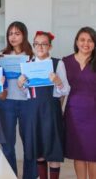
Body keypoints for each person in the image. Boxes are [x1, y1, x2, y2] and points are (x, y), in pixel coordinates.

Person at [18, 31, 70, 179]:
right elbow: (25, 94)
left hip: (51, 111)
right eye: (37, 44)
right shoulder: (27, 64)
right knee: (39, 153)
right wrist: (20, 84)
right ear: (33, 45)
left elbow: (66, 90)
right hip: (33, 112)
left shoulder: (57, 63)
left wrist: (58, 81)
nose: (40, 47)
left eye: (44, 44)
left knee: (53, 152)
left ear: (50, 46)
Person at [0, 21, 36, 178]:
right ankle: (11, 174)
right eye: (10, 34)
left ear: (24, 35)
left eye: (17, 33)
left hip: (28, 103)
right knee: (7, 144)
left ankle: (30, 176)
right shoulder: (2, 55)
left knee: (30, 143)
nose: (13, 37)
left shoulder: (32, 57)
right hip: (7, 102)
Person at [63, 27, 96, 179]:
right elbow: (60, 89)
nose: (86, 44)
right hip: (73, 114)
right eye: (82, 40)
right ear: (76, 41)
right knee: (79, 153)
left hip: (93, 115)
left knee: (93, 155)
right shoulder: (66, 61)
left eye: (90, 40)